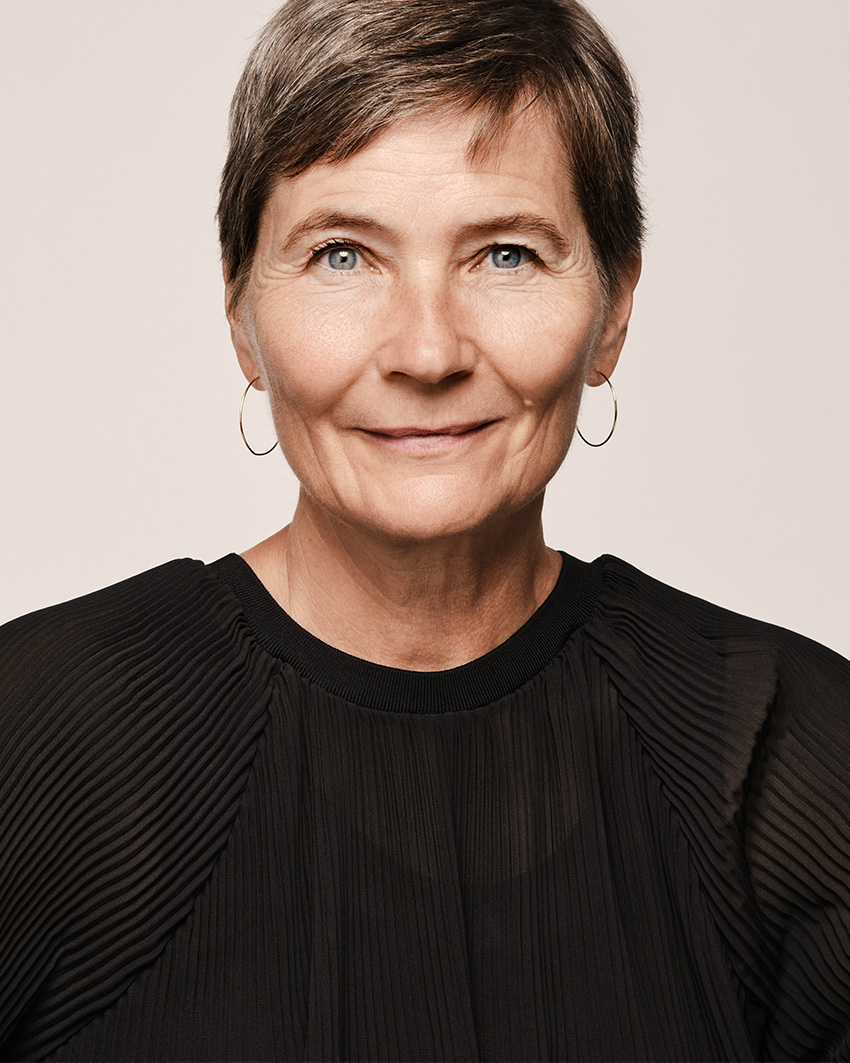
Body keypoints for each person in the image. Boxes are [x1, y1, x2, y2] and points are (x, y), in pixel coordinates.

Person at [1, 0, 848, 1060]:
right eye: (343, 256)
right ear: (241, 317)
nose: (426, 350)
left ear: (614, 310)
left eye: (504, 255)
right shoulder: (32, 735)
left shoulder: (783, 753)